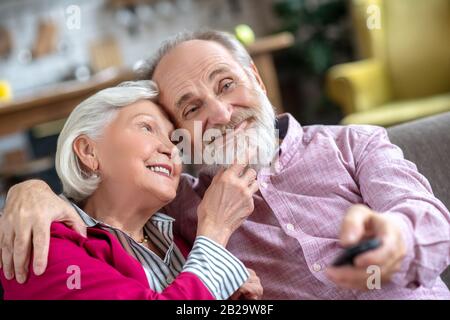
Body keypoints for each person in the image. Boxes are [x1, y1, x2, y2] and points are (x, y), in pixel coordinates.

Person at [1, 30, 450, 299]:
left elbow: (429, 221)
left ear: (255, 77)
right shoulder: (182, 209)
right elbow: (107, 201)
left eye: (227, 83)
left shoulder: (355, 143)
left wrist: (396, 239)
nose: (218, 114)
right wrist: (29, 191)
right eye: (191, 109)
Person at [0, 80, 263, 300]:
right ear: (89, 151)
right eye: (147, 127)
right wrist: (215, 232)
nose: (170, 148)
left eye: (174, 139)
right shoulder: (40, 241)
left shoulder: (176, 236)